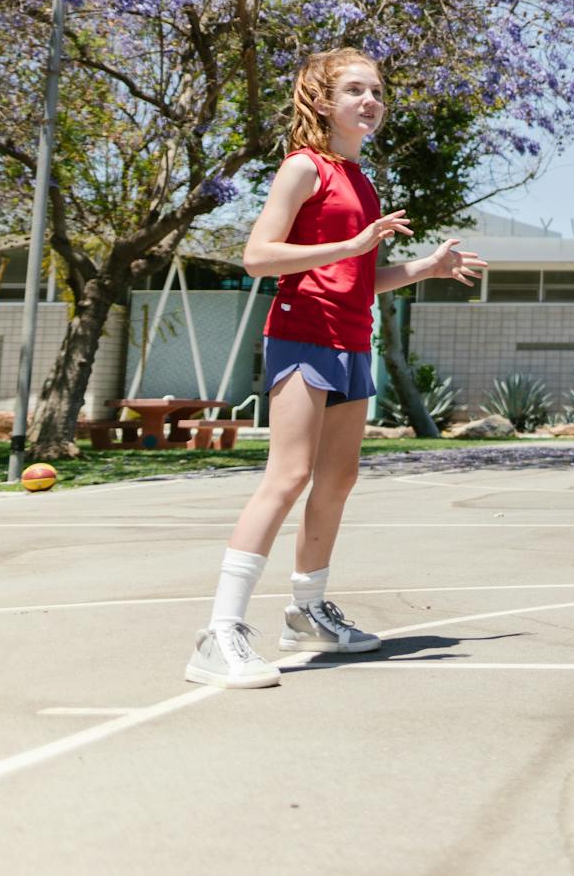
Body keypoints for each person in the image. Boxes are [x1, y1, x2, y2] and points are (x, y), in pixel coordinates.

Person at [185, 48, 486, 688]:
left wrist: (424, 269)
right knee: (288, 475)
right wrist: (350, 244)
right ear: (323, 101)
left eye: (376, 90)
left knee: (338, 479)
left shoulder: (360, 177)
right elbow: (258, 258)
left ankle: (309, 608)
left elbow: (357, 279)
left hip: (352, 338)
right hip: (302, 334)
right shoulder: (303, 167)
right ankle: (220, 633)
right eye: (355, 89)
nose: (370, 100)